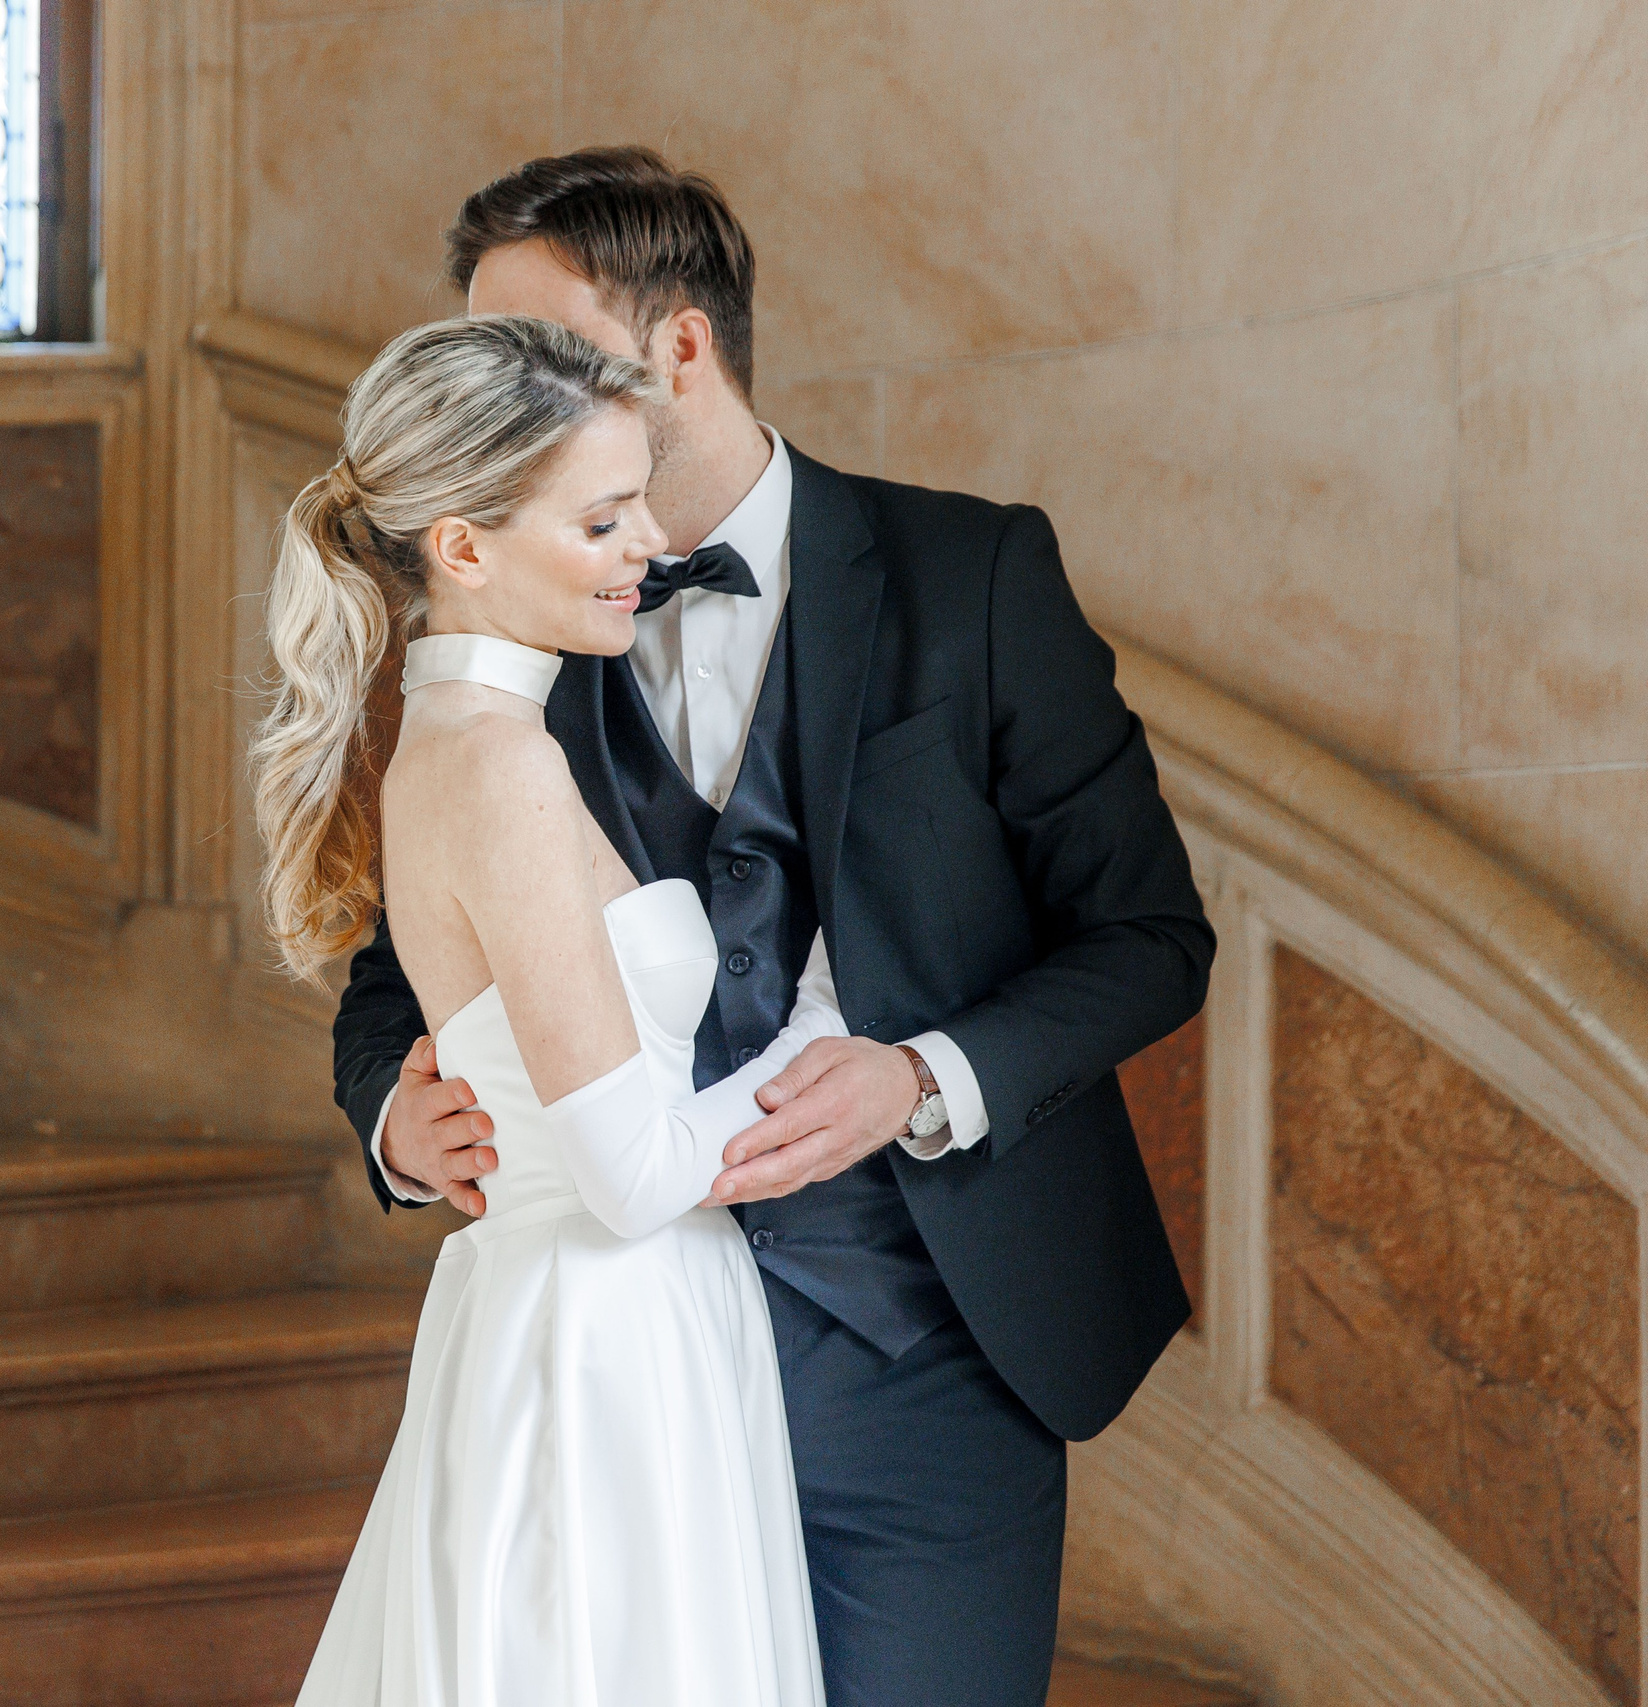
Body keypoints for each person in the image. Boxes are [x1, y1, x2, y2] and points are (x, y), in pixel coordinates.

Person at [330, 148, 1214, 1706]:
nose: (505, 397)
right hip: (627, 1379)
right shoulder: (516, 623)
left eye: (541, 352)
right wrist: (398, 1116)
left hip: (931, 1353)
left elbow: (1149, 935)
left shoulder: (973, 575)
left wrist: (922, 1076)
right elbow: (393, 969)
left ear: (680, 348)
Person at [256, 314, 833, 1704]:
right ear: (463, 547)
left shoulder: (472, 737)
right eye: (602, 517)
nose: (647, 540)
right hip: (602, 1350)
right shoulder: (498, 766)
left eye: (639, 500)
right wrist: (824, 1026)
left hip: (606, 1321)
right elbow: (631, 1175)